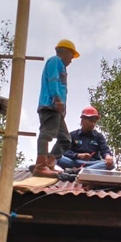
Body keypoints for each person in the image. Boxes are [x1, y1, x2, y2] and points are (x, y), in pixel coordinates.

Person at [33, 39, 79, 177]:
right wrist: (57, 98)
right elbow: (53, 79)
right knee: (46, 134)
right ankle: (40, 166)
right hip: (50, 106)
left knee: (65, 139)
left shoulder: (61, 66)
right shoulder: (55, 61)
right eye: (72, 56)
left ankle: (49, 163)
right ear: (65, 52)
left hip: (57, 110)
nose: (71, 60)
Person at [57, 106, 115, 171]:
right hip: (75, 162)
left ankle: (79, 171)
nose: (93, 124)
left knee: (110, 164)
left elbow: (105, 150)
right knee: (58, 157)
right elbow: (65, 151)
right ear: (82, 120)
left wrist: (108, 156)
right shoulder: (73, 135)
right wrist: (78, 155)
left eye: (94, 122)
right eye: (90, 121)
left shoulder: (99, 136)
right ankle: (85, 171)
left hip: (93, 164)